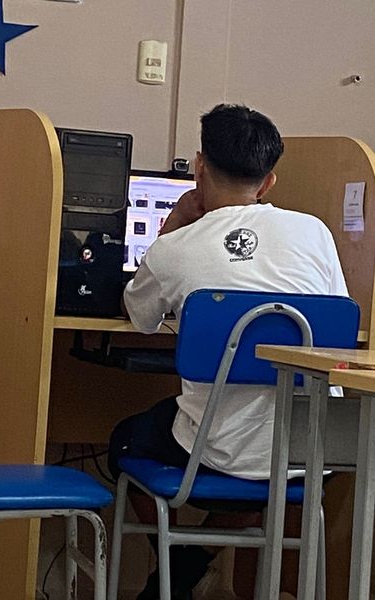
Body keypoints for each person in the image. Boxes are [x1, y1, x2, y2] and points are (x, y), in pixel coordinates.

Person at [108, 103, 348, 599]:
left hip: (219, 453)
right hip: (315, 452)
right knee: (261, 468)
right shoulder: (316, 233)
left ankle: (173, 571)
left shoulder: (176, 248)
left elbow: (140, 317)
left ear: (199, 167)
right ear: (269, 181)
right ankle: (188, 566)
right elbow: (338, 322)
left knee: (124, 440)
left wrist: (174, 224)